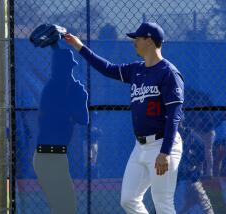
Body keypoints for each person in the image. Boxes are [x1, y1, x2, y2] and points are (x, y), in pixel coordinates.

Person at [65, 22, 184, 213]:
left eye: (137, 38)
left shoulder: (168, 73)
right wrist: (79, 46)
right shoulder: (136, 69)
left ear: (149, 41)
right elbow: (108, 68)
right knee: (128, 199)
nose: (134, 42)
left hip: (163, 145)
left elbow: (174, 115)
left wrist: (165, 152)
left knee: (163, 202)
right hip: (141, 147)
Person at [33, 48, 88, 214]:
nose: (71, 72)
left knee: (63, 208)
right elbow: (81, 117)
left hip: (55, 157)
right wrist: (81, 98)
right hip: (48, 158)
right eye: (68, 67)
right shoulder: (54, 88)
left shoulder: (63, 86)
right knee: (66, 208)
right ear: (59, 68)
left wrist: (79, 97)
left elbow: (83, 120)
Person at [175, 123, 214, 213]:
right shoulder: (163, 135)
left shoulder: (188, 133)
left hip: (189, 177)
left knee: (205, 208)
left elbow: (201, 150)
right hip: (177, 180)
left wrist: (193, 161)